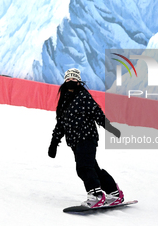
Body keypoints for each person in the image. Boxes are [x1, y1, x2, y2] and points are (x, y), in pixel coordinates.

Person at [48, 68, 124, 208]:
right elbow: (60, 124)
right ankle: (114, 192)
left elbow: (97, 113)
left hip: (87, 137)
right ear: (65, 81)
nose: (71, 82)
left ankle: (95, 195)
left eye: (74, 79)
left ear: (78, 81)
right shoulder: (63, 101)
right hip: (74, 141)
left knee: (83, 167)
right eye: (68, 79)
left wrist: (110, 128)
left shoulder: (83, 96)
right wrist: (54, 142)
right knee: (93, 168)